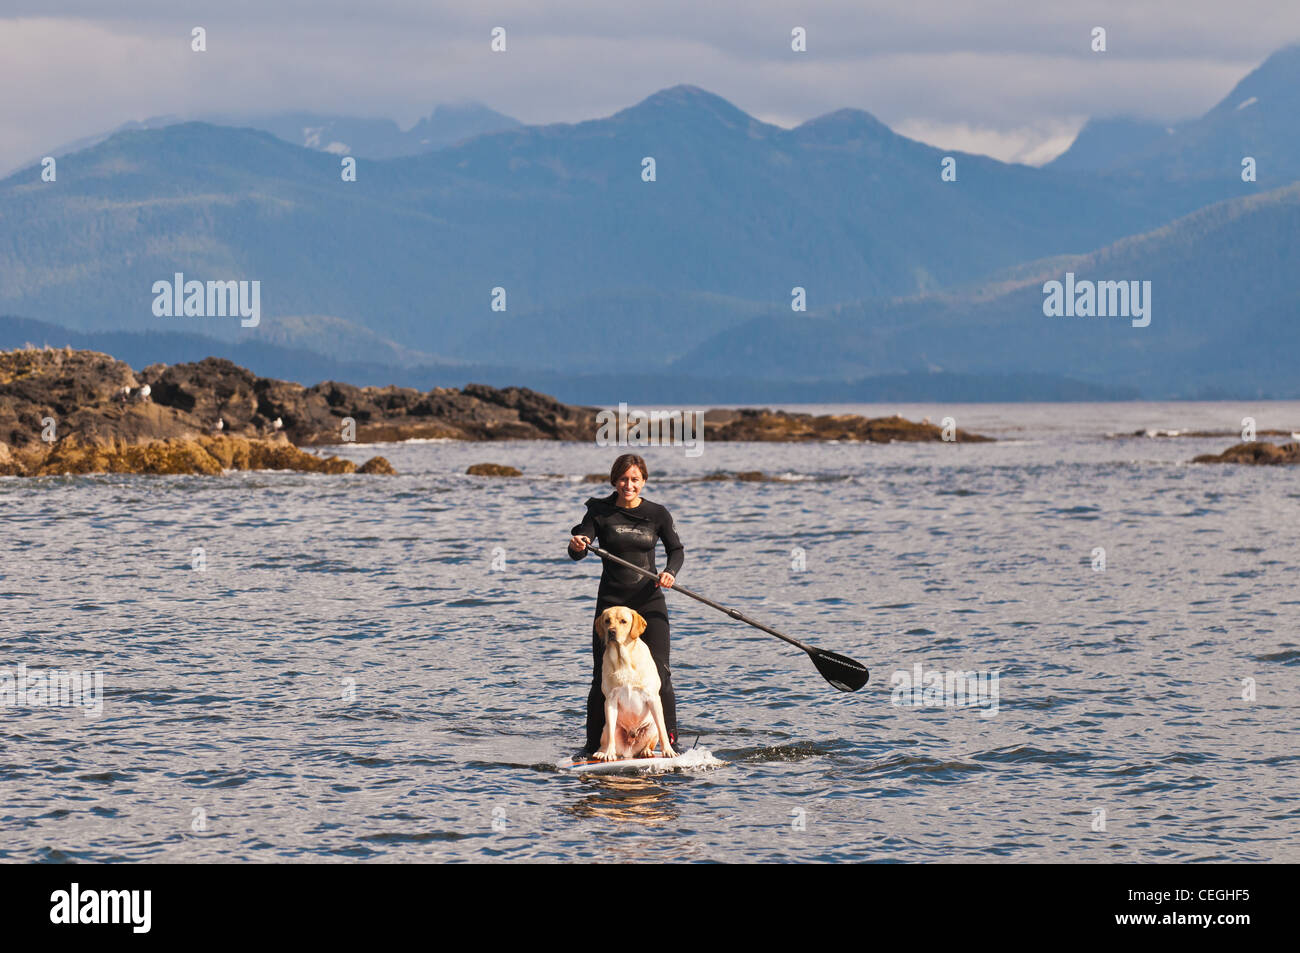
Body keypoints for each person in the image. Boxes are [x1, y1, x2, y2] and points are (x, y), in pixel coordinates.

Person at [568, 453, 684, 756]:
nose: (628, 485)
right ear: (614, 481)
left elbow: (676, 550)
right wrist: (577, 544)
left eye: (634, 479)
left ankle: (670, 743)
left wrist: (670, 572)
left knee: (661, 674)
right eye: (623, 479)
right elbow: (580, 546)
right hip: (611, 607)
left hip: (649, 602)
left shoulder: (658, 514)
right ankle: (594, 746)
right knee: (601, 676)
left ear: (643, 480)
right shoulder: (599, 512)